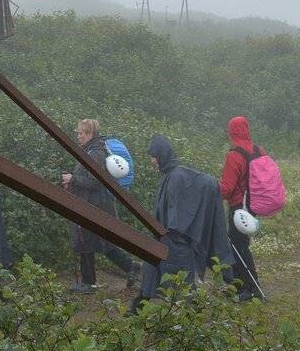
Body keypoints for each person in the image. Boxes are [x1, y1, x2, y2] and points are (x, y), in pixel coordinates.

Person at [133, 134, 226, 309]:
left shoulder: (176, 177)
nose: (152, 161)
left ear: (161, 156)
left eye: (153, 157)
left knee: (181, 291)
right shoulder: (171, 174)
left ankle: (191, 319)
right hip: (166, 240)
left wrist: (171, 236)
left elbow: (178, 215)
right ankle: (138, 308)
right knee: (152, 274)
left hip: (175, 244)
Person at [61, 119, 138, 294]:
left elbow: (95, 182)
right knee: (102, 242)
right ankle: (131, 266)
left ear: (89, 134)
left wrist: (73, 179)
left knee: (86, 242)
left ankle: (89, 284)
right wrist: (73, 180)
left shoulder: (95, 153)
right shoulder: (93, 150)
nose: (78, 136)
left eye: (81, 133)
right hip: (98, 204)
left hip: (95, 205)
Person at [219, 116, 265, 301]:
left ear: (231, 132)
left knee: (239, 246)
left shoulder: (234, 155)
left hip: (239, 207)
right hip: (254, 204)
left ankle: (251, 289)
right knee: (237, 243)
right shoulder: (259, 150)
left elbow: (227, 189)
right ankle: (239, 285)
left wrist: (213, 187)